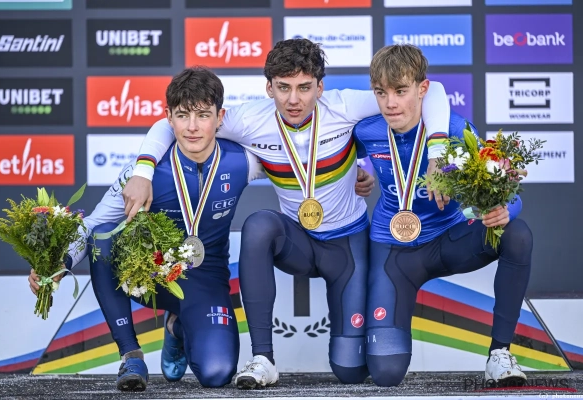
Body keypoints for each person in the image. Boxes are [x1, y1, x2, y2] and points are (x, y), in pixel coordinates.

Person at [121, 38, 451, 389]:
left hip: (346, 246)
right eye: (283, 88)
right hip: (299, 242)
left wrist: (438, 153)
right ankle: (263, 358)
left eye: (304, 88)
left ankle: (182, 329)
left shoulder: (345, 105)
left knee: (350, 370)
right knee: (260, 225)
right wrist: (143, 170)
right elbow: (171, 122)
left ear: (320, 88)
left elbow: (432, 91)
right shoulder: (250, 119)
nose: (294, 99)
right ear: (269, 88)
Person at [29, 67, 268, 391]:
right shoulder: (143, 172)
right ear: (169, 118)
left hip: (206, 278)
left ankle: (177, 328)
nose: (193, 127)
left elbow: (292, 171)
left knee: (217, 372)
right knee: (102, 239)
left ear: (220, 117)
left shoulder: (244, 161)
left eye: (203, 115)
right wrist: (61, 261)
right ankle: (131, 354)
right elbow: (94, 224)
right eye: (182, 116)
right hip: (152, 275)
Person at [353, 44, 532, 387]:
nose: (390, 103)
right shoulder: (366, 130)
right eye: (381, 93)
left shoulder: (455, 128)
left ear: (423, 89)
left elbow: (507, 192)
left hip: (449, 240)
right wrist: (358, 172)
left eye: (401, 91)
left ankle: (500, 354)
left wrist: (504, 210)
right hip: (393, 251)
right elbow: (340, 158)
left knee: (517, 234)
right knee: (386, 373)